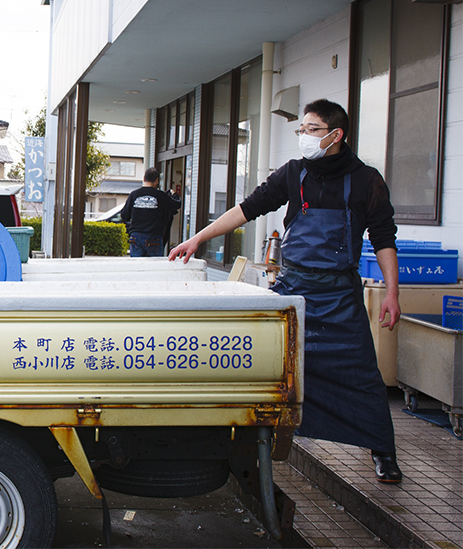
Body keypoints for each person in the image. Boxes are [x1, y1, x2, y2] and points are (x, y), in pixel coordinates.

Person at [169, 99, 402, 484]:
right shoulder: (294, 173)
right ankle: (268, 434)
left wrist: (392, 293)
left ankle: (383, 450)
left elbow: (383, 239)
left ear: (335, 135)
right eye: (302, 129)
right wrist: (198, 238)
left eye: (311, 129)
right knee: (278, 367)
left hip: (341, 297)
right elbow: (246, 209)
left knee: (361, 375)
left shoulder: (366, 180)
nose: (304, 136)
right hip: (295, 291)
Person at [120, 167, 181, 257]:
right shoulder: (160, 195)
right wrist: (174, 194)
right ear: (157, 180)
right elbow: (176, 205)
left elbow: (124, 215)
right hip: (153, 237)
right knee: (154, 265)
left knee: (137, 264)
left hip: (135, 237)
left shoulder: (134, 194)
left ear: (144, 178)